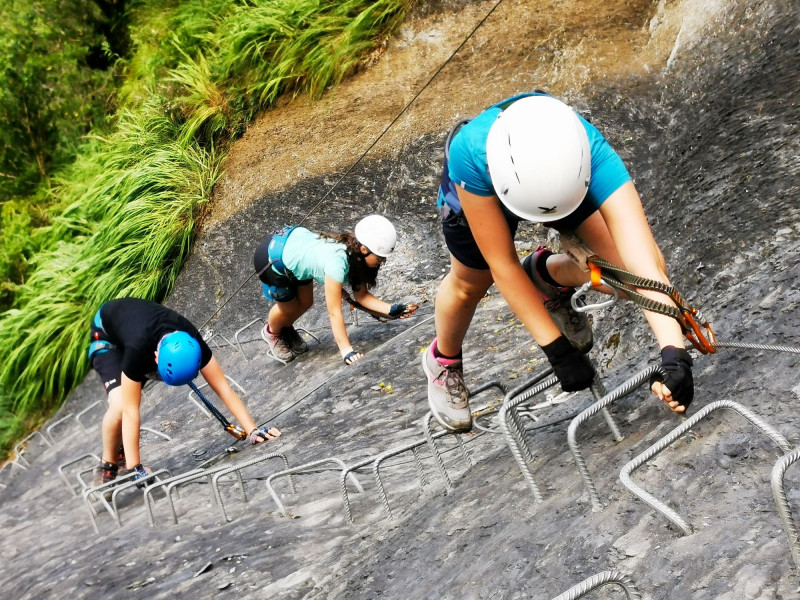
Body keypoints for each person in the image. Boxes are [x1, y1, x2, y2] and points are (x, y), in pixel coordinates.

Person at [422, 92, 694, 432]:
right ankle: (444, 359)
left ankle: (547, 277)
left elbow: (644, 267)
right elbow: (502, 265)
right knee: (470, 284)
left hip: (564, 184)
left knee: (623, 274)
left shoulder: (587, 148)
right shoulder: (470, 153)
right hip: (478, 187)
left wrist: (674, 352)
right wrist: (556, 349)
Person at [88, 297, 281, 486]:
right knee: (120, 404)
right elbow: (130, 410)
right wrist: (135, 467)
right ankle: (109, 463)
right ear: (156, 359)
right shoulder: (137, 350)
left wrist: (253, 430)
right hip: (106, 338)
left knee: (127, 398)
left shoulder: (192, 339)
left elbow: (223, 387)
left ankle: (123, 449)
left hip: (134, 333)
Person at [253, 215, 418, 365]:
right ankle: (272, 332)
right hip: (272, 259)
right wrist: (347, 351)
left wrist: (392, 309)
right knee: (288, 308)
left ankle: (285, 326)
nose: (383, 262)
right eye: (380, 257)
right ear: (364, 249)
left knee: (306, 303)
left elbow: (361, 296)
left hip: (294, 254)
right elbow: (334, 312)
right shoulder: (336, 264)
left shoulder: (356, 254)